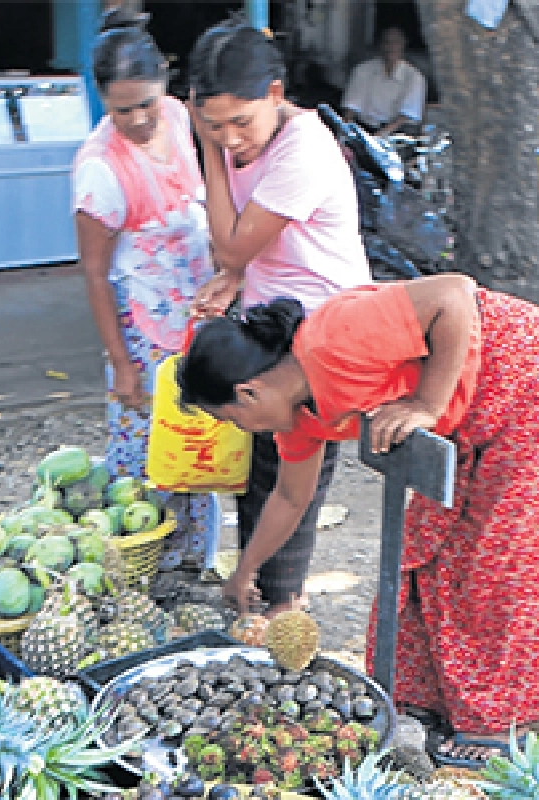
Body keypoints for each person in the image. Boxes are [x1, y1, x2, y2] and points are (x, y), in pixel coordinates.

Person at [176, 275, 539, 759]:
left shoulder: (333, 338)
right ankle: (430, 699)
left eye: (232, 419)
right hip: (470, 417)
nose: (240, 429)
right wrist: (245, 571)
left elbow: (454, 295)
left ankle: (495, 724)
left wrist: (428, 403)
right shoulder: (300, 415)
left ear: (251, 393)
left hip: (538, 384)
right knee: (429, 548)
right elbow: (289, 496)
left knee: (501, 563)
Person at [186, 17, 372, 615]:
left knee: (294, 485)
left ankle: (279, 603)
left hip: (324, 342)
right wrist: (236, 279)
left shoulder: (305, 150)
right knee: (259, 471)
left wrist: (211, 153)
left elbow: (233, 242)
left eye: (240, 121)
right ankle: (255, 591)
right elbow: (248, 249)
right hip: (275, 325)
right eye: (215, 124)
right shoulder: (250, 137)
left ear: (275, 94)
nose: (231, 137)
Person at [72, 9, 218, 573]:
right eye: (121, 109)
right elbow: (94, 274)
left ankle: (197, 568)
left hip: (199, 327)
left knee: (199, 454)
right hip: (143, 339)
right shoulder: (98, 173)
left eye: (146, 104)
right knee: (145, 467)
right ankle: (143, 574)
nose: (136, 119)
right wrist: (122, 365)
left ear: (167, 88)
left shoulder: (182, 120)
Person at [341, 27, 426, 137]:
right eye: (387, 42)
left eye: (396, 42)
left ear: (403, 44)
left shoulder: (414, 76)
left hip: (397, 132)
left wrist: (380, 136)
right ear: (380, 45)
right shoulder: (363, 70)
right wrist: (345, 132)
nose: (391, 47)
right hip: (365, 128)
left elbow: (407, 115)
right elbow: (351, 107)